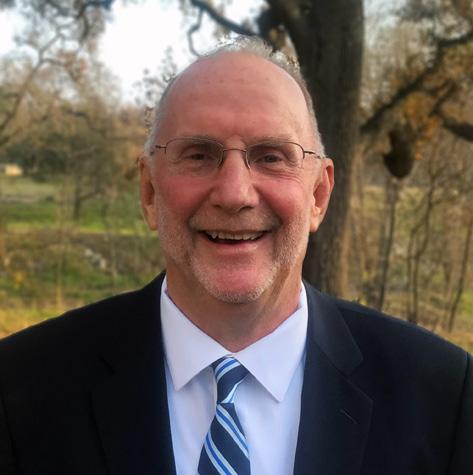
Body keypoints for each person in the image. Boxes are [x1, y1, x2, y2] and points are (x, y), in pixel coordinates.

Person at [0, 37, 471, 475]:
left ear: (319, 196)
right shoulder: (21, 390)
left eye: (271, 156)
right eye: (199, 155)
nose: (234, 193)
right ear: (149, 192)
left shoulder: (444, 398)